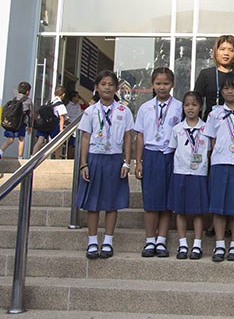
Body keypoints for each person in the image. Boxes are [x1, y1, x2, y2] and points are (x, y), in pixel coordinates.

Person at [75, 70, 133, 259]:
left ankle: (108, 241)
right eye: (103, 84)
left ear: (116, 88)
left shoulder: (123, 111)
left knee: (111, 202)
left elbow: (127, 137)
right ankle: (92, 241)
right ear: (96, 87)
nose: (107, 88)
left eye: (111, 84)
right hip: (95, 158)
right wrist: (83, 164)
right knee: (93, 203)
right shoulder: (90, 111)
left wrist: (127, 162)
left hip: (114, 159)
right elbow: (85, 137)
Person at [134, 67, 182, 258]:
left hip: (170, 155)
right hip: (151, 155)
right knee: (151, 200)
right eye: (158, 83)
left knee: (167, 200)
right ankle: (149, 239)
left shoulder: (179, 107)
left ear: (173, 84)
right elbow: (140, 136)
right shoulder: (145, 108)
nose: (162, 87)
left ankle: (161, 240)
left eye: (166, 83)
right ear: (152, 85)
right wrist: (138, 161)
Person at [204, 72, 234, 262]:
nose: (230, 91)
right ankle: (219, 245)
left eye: (233, 88)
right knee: (218, 206)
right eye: (226, 88)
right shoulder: (214, 114)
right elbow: (211, 141)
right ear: (221, 91)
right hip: (219, 163)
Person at [167, 91, 210, 260]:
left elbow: (209, 152)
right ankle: (183, 244)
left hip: (199, 174)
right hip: (180, 172)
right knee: (181, 210)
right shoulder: (177, 129)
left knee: (198, 211)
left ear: (200, 107)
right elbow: (173, 150)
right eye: (187, 105)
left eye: (194, 105)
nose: (190, 108)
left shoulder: (206, 129)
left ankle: (197, 244)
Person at [194, 35, 234, 121]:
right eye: (222, 49)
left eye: (231, 50)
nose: (226, 53)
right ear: (216, 51)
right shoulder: (206, 74)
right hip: (210, 122)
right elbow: (196, 102)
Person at [0, 82, 33, 160]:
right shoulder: (28, 101)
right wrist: (30, 126)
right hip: (21, 123)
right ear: (27, 92)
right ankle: (20, 157)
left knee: (10, 139)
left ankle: (0, 151)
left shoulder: (14, 99)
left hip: (11, 123)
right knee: (21, 140)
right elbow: (31, 114)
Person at [32, 85, 67, 159]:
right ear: (63, 94)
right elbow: (61, 117)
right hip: (53, 124)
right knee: (57, 142)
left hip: (44, 123)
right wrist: (61, 130)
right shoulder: (60, 104)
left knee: (40, 140)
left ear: (54, 93)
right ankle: (57, 159)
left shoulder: (48, 102)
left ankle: (33, 156)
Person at [66, 90, 89, 158]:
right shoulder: (68, 106)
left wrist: (81, 97)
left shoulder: (79, 105)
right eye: (77, 97)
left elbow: (87, 105)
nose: (78, 98)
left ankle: (75, 157)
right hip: (71, 125)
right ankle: (69, 157)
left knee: (77, 143)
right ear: (73, 98)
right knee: (71, 144)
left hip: (78, 125)